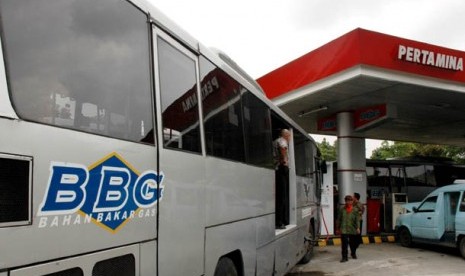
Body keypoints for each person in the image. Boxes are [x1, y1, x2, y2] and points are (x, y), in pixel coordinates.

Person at [274, 129, 291, 229]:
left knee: (280, 196)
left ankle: (279, 220)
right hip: (280, 169)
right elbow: (283, 149)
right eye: (289, 136)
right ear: (285, 135)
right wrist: (284, 161)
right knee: (282, 197)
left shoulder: (276, 140)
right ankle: (279, 222)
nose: (289, 138)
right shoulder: (282, 140)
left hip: (277, 169)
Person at [336, 195, 360, 262]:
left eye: (350, 200)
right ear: (345, 201)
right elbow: (339, 219)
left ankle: (353, 253)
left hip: (352, 228)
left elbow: (357, 220)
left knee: (353, 243)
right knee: (344, 244)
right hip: (344, 229)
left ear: (352, 201)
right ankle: (344, 257)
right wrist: (338, 228)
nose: (348, 202)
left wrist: (357, 227)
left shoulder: (355, 210)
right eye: (347, 200)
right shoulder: (342, 210)